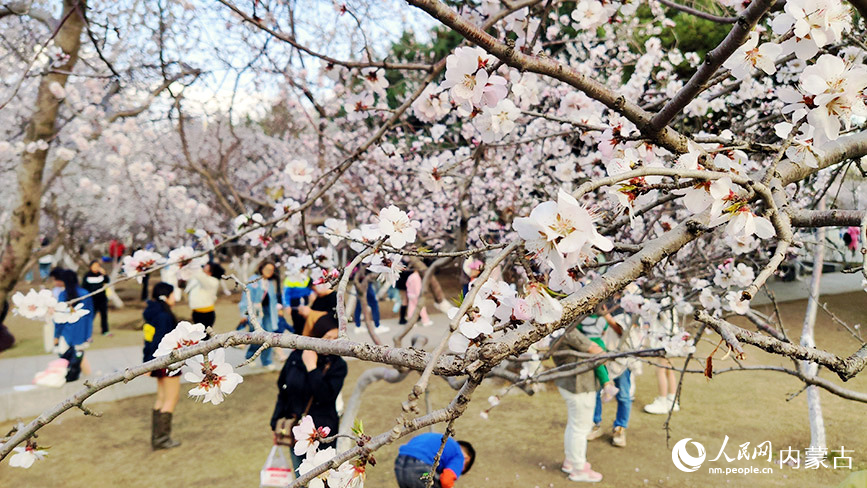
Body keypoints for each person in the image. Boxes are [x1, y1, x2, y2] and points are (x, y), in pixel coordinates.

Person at [271, 314, 347, 467]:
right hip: (296, 430)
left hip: (323, 433)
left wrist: (312, 368)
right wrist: (276, 421)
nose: (332, 343)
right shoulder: (296, 357)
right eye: (328, 337)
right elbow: (284, 390)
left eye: (336, 338)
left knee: (322, 476)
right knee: (300, 474)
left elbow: (326, 396)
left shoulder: (337, 365)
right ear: (317, 336)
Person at [553, 324, 604, 482]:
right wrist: (597, 346)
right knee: (581, 429)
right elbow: (597, 350)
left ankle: (570, 461)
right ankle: (579, 469)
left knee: (574, 426)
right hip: (580, 386)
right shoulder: (569, 332)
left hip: (569, 384)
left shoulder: (558, 331)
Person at [143, 282, 182, 450]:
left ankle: (157, 437)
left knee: (161, 398)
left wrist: (147, 362)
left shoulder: (153, 313)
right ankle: (162, 438)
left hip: (156, 362)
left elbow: (148, 340)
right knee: (171, 399)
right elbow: (163, 341)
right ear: (166, 296)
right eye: (173, 294)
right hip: (168, 363)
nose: (175, 298)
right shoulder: (164, 316)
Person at [586, 307, 633, 448]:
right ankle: (595, 424)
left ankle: (620, 428)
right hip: (599, 354)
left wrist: (606, 315)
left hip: (621, 358)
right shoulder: (601, 297)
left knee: (624, 395)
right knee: (595, 392)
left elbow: (624, 331)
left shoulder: (627, 301)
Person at [239, 261, 282, 369]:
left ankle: (266, 361)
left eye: (271, 270)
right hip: (256, 312)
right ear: (261, 268)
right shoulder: (253, 280)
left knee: (269, 337)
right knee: (257, 337)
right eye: (267, 269)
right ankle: (250, 356)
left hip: (268, 312)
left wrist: (278, 310)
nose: (269, 272)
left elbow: (273, 299)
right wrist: (244, 314)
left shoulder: (270, 283)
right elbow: (245, 298)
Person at [394, 433, 475, 488]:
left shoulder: (443, 441)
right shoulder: (459, 456)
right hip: (421, 469)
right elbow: (446, 480)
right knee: (438, 482)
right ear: (466, 458)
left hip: (400, 466)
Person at [53, 270, 95, 377]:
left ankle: (65, 378)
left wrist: (56, 336)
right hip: (81, 332)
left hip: (67, 331)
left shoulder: (63, 295)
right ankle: (90, 378)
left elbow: (59, 319)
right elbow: (90, 316)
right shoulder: (85, 294)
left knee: (65, 357)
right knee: (80, 356)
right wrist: (88, 334)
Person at [185, 261, 224, 336]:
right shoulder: (202, 279)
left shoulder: (213, 281)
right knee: (197, 336)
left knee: (203, 338)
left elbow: (199, 275)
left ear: (211, 270)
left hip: (206, 314)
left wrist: (190, 263)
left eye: (207, 265)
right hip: (196, 312)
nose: (204, 266)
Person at [82, 260, 111, 336]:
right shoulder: (87, 275)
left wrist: (104, 274)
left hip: (102, 298)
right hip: (92, 300)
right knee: (91, 315)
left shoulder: (101, 275)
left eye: (97, 266)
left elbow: (107, 281)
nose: (96, 268)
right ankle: (87, 330)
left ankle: (105, 330)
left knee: (104, 315)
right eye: (94, 266)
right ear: (90, 267)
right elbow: (84, 287)